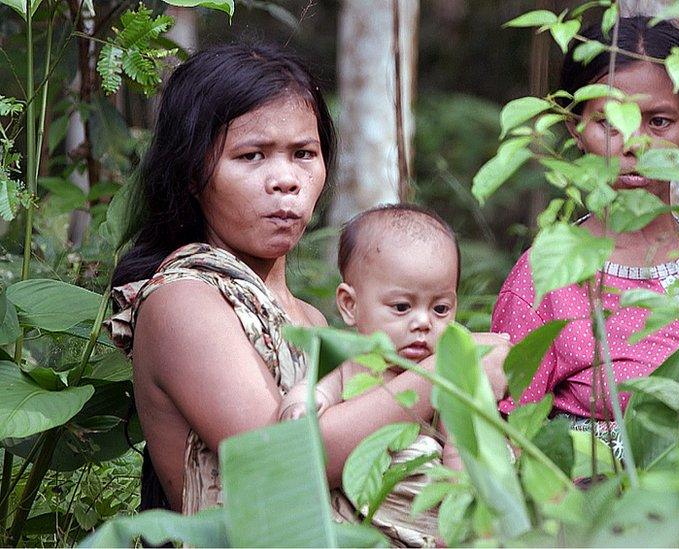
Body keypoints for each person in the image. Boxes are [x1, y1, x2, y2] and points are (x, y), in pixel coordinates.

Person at [107, 43, 501, 517]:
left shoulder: (310, 317)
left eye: (303, 154)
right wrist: (449, 375)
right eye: (252, 156)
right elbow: (280, 466)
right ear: (193, 173)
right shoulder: (183, 300)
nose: (286, 180)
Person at [491, 17, 679, 458]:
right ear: (574, 127)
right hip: (607, 515)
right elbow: (506, 436)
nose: (634, 145)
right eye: (610, 123)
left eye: (659, 122)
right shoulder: (544, 278)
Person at [287, 203, 507, 546]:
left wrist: (456, 523)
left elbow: (460, 453)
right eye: (402, 307)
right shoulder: (353, 361)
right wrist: (303, 401)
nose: (423, 322)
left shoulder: (445, 380)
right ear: (349, 305)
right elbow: (322, 388)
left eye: (440, 308)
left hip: (424, 529)